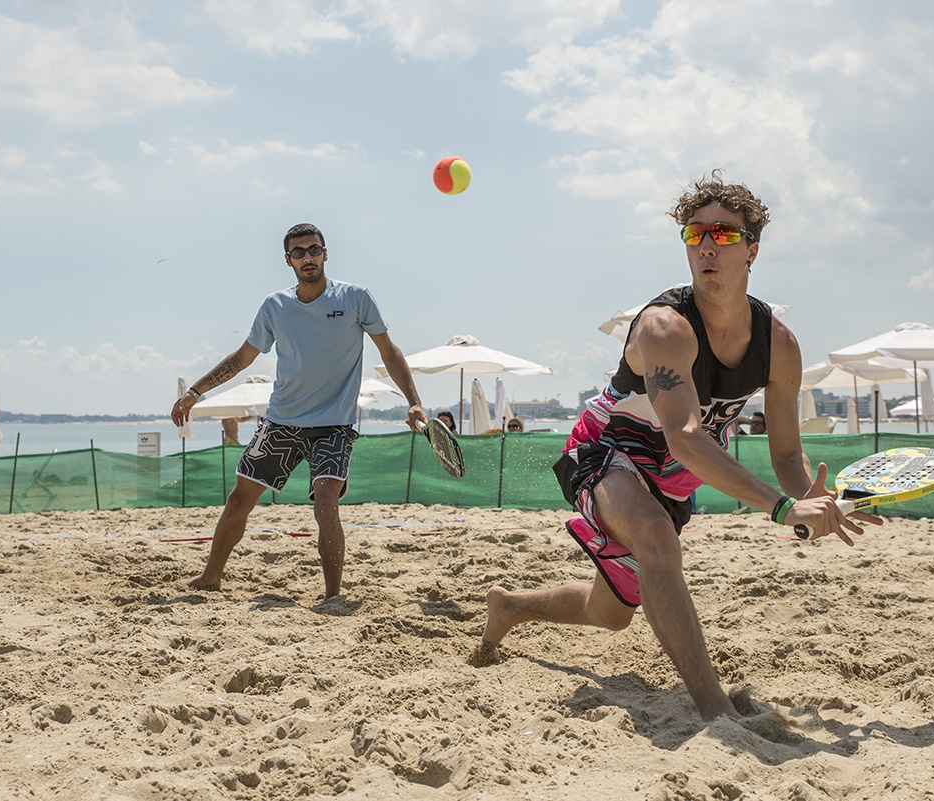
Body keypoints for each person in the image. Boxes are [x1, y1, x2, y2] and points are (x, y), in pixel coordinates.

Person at [474, 172, 879, 720]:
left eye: (726, 235)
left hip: (671, 473)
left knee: (611, 611)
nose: (708, 244)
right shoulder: (664, 327)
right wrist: (783, 508)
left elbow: (785, 453)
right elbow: (686, 435)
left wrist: (811, 497)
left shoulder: (778, 345)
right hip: (607, 447)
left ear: (752, 249)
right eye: (696, 234)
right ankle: (717, 710)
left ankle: (510, 606)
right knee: (657, 539)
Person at [172, 222, 427, 600]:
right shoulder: (275, 306)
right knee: (240, 499)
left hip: (334, 426)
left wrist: (414, 400)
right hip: (281, 421)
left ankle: (332, 594)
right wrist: (196, 391)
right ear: (288, 260)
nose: (307, 257)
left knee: (326, 504)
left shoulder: (356, 298)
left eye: (313, 250)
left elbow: (389, 352)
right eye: (298, 252)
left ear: (326, 253)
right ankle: (211, 576)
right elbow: (243, 358)